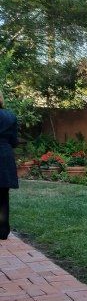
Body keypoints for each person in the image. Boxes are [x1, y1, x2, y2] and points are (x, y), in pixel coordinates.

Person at [0, 90, 19, 240]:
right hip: (5, 156)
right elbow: (14, 141)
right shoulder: (10, 116)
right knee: (3, 195)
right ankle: (3, 230)